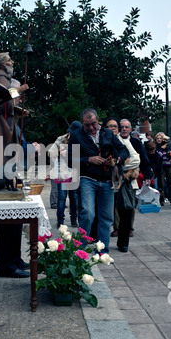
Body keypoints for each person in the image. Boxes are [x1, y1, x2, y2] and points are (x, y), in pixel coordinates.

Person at [0, 53, 30, 278]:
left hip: (6, 133)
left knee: (15, 205)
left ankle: (14, 258)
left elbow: (8, 105)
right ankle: (7, 263)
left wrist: (19, 109)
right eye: (10, 60)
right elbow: (2, 98)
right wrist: (19, 90)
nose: (13, 63)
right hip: (0, 138)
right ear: (2, 63)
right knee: (8, 207)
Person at [68, 109, 129, 254]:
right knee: (88, 213)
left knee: (106, 217)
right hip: (87, 179)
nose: (91, 128)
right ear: (82, 123)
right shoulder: (76, 136)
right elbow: (69, 160)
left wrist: (116, 160)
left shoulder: (108, 133)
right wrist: (89, 159)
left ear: (98, 121)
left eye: (93, 124)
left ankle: (103, 252)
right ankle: (79, 250)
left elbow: (123, 150)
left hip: (107, 180)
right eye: (87, 125)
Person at [103, 117, 140, 252]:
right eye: (109, 126)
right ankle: (100, 241)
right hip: (105, 182)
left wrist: (117, 166)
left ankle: (123, 243)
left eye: (115, 126)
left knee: (125, 212)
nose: (112, 128)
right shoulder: (100, 140)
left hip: (122, 182)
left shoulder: (124, 142)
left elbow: (136, 160)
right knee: (106, 214)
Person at [118, 119, 152, 237]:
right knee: (117, 205)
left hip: (132, 177)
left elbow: (143, 160)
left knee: (130, 204)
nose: (124, 129)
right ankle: (117, 228)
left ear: (130, 129)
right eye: (122, 127)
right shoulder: (116, 140)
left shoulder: (136, 142)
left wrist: (148, 176)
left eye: (127, 127)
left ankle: (129, 227)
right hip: (117, 176)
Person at [49, 122, 81, 228]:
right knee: (61, 197)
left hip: (75, 172)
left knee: (74, 197)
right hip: (62, 172)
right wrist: (59, 151)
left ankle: (73, 220)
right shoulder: (61, 139)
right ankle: (60, 221)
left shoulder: (82, 138)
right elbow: (50, 152)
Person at [154, 132, 171, 206]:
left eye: (161, 138)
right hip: (161, 166)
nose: (159, 140)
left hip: (169, 166)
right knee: (161, 184)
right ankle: (161, 200)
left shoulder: (168, 146)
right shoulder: (156, 147)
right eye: (158, 138)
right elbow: (158, 156)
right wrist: (162, 149)